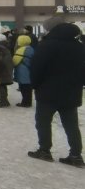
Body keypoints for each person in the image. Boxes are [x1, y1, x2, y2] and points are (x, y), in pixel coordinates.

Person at [28, 17, 84, 167]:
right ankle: (76, 155)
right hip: (71, 92)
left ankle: (44, 150)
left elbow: (37, 68)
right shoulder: (79, 46)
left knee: (43, 122)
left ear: (51, 29)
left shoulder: (46, 45)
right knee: (71, 124)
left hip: (48, 92)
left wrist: (35, 85)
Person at [12, 34, 34, 107]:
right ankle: (27, 102)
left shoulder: (21, 50)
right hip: (28, 71)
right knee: (27, 89)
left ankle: (25, 103)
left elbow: (15, 61)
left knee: (24, 88)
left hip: (23, 72)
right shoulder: (31, 49)